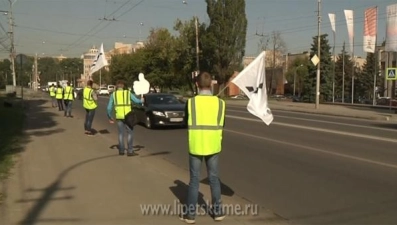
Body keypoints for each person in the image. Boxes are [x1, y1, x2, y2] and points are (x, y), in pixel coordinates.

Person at [180, 72, 226, 224]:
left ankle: (190, 215)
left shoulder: (191, 103)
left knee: (194, 180)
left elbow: (185, 122)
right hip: (213, 145)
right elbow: (222, 124)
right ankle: (218, 213)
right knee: (213, 178)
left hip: (196, 145)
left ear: (197, 85)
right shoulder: (220, 103)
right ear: (211, 84)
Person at [107, 80, 142, 156]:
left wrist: (110, 116)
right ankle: (130, 151)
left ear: (117, 86)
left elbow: (109, 108)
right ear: (123, 86)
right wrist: (141, 101)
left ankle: (121, 151)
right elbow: (137, 101)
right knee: (130, 132)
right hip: (128, 116)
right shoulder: (128, 93)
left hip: (119, 116)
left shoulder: (114, 94)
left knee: (120, 134)